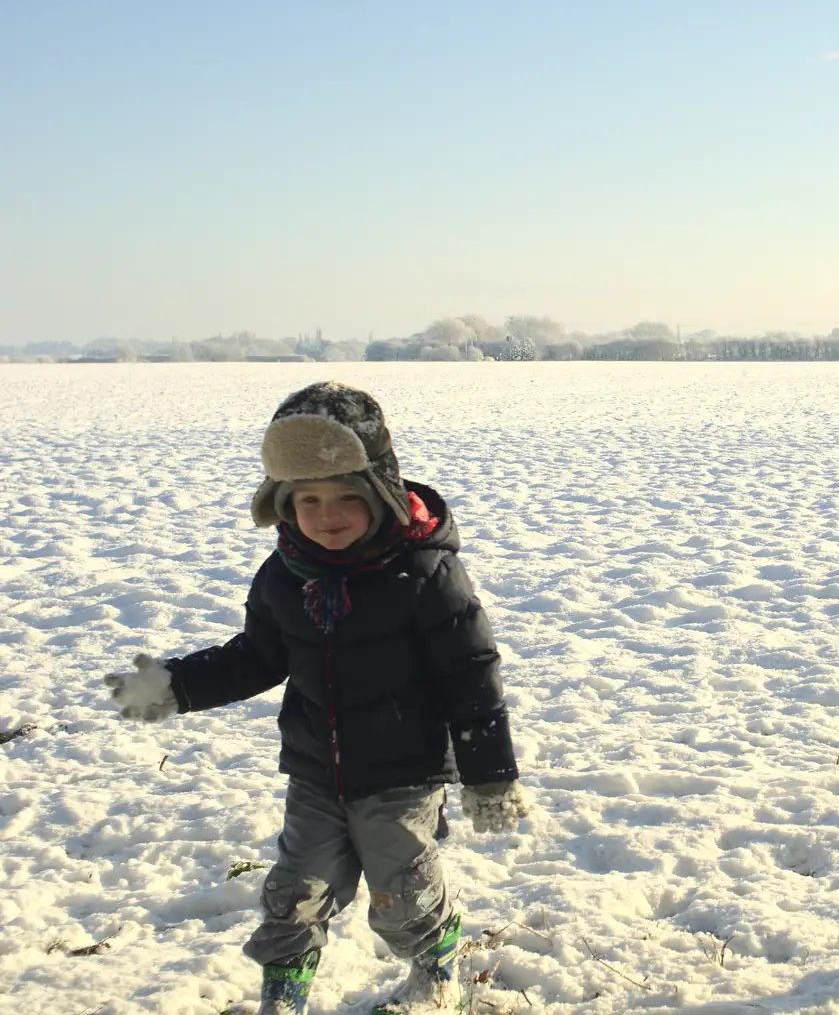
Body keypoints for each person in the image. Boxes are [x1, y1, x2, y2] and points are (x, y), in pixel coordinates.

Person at [103, 382, 531, 1015]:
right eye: (308, 500)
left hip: (402, 776)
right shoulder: (284, 574)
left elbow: (470, 675)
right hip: (314, 771)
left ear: (381, 495)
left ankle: (435, 978)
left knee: (403, 897)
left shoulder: (425, 575)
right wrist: (177, 685)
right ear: (284, 504)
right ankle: (283, 997)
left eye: (346, 499)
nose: (327, 516)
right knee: (293, 893)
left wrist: (490, 777)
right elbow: (258, 656)